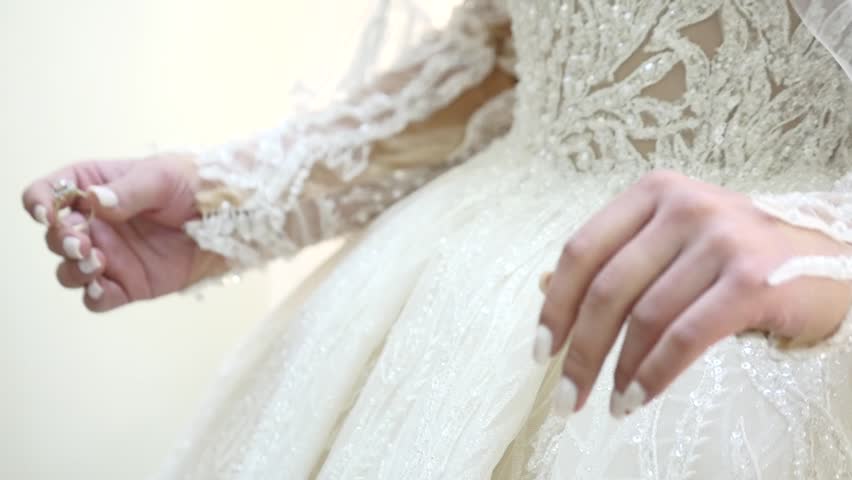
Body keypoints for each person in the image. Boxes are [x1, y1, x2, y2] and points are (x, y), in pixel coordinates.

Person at [21, 0, 852, 478]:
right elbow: (511, 53)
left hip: (737, 341)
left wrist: (821, 246)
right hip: (456, 298)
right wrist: (237, 198)